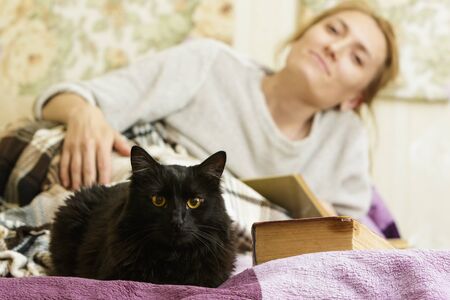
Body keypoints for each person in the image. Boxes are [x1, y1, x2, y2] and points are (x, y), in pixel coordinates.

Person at [34, 2, 398, 218]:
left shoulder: (346, 137)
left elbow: (352, 237)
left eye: (356, 56)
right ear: (303, 34)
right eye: (333, 29)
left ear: (354, 99)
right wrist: (83, 111)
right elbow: (59, 100)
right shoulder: (207, 61)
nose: (335, 47)